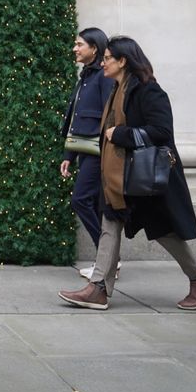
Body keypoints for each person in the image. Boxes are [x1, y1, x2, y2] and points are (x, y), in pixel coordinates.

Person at [58, 36, 196, 311]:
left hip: (145, 178)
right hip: (121, 178)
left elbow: (162, 132)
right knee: (110, 222)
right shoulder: (116, 90)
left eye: (108, 58)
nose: (104, 62)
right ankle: (99, 289)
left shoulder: (148, 91)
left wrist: (120, 134)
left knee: (165, 233)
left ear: (123, 61)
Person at [60, 27, 118, 280]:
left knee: (80, 200)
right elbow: (77, 117)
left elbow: (110, 115)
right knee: (93, 203)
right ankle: (107, 261)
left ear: (94, 48)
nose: (75, 48)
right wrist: (69, 156)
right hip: (86, 150)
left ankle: (108, 261)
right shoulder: (87, 76)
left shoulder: (103, 77)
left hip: (99, 152)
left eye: (79, 44)